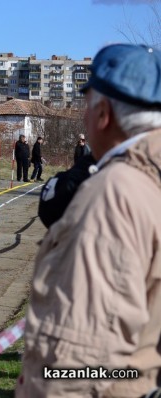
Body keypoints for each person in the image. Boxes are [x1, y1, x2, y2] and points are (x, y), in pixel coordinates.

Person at [17, 43, 161, 398]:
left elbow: (74, 363)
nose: (82, 116)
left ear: (103, 114)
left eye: (87, 104)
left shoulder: (112, 196)